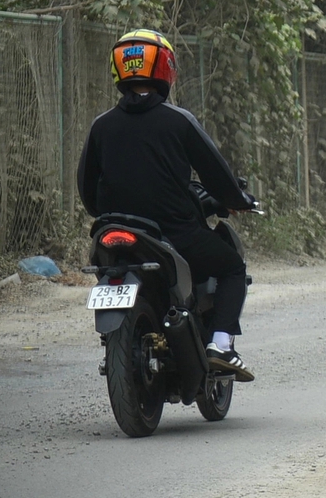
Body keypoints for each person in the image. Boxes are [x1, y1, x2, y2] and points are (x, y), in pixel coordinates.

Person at [76, 29, 259, 380]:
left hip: (113, 233)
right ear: (166, 68)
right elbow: (216, 174)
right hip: (175, 234)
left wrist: (108, 214)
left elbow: (87, 188)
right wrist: (238, 200)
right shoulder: (179, 120)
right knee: (232, 266)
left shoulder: (101, 126)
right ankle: (220, 344)